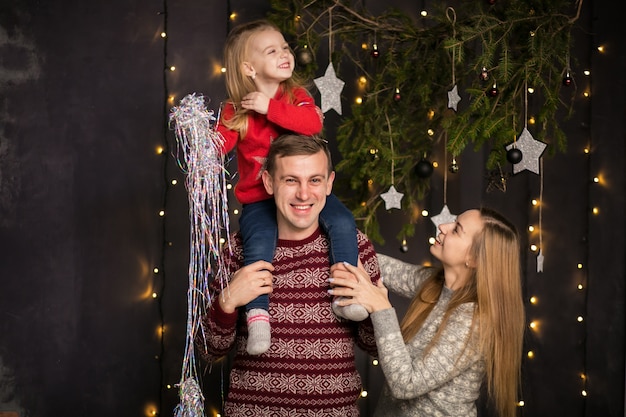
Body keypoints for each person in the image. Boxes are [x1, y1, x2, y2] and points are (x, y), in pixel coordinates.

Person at [196, 134, 380, 416]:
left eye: (314, 180)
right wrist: (227, 302)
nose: (304, 194)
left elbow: (374, 347)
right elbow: (209, 351)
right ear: (269, 182)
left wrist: (375, 307)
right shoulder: (238, 248)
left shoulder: (356, 248)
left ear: (329, 183)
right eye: (291, 180)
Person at [217, 19, 367, 355]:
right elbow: (220, 145)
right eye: (272, 51)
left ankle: (345, 294)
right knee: (257, 248)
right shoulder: (235, 107)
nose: (285, 54)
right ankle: (258, 316)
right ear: (249, 67)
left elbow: (311, 124)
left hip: (301, 197)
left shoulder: (295, 96)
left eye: (285, 47)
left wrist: (269, 107)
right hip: (258, 199)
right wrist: (199, 140)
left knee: (342, 223)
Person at [328, 207, 525, 417]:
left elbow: (406, 385)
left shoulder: (474, 321)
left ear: (474, 258)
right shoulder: (435, 284)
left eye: (457, 229)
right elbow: (377, 265)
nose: (443, 226)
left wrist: (381, 307)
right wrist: (338, 234)